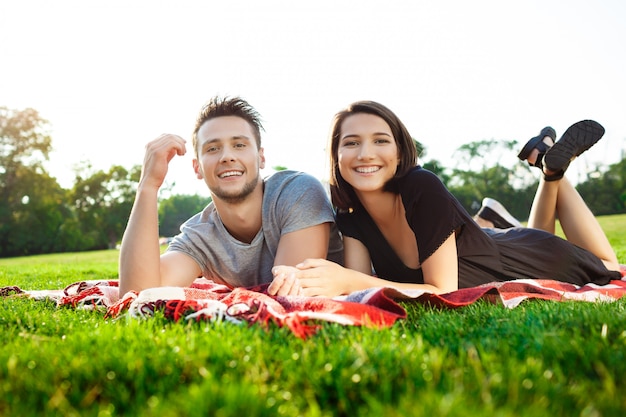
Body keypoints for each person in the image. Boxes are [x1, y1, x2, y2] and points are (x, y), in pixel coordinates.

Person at [271, 101, 621, 297]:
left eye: (380, 140)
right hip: (508, 248)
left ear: (399, 151)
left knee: (608, 265)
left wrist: (348, 280)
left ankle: (551, 173)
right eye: (350, 143)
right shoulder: (349, 210)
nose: (365, 153)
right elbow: (360, 288)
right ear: (336, 155)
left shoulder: (422, 187)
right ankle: (547, 168)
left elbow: (442, 290)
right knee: (537, 232)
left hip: (541, 259)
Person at [119, 96, 343, 295]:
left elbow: (289, 292)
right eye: (212, 149)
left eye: (239, 145)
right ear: (197, 168)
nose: (227, 156)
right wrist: (148, 186)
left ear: (261, 157)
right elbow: (137, 294)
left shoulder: (298, 191)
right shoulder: (200, 236)